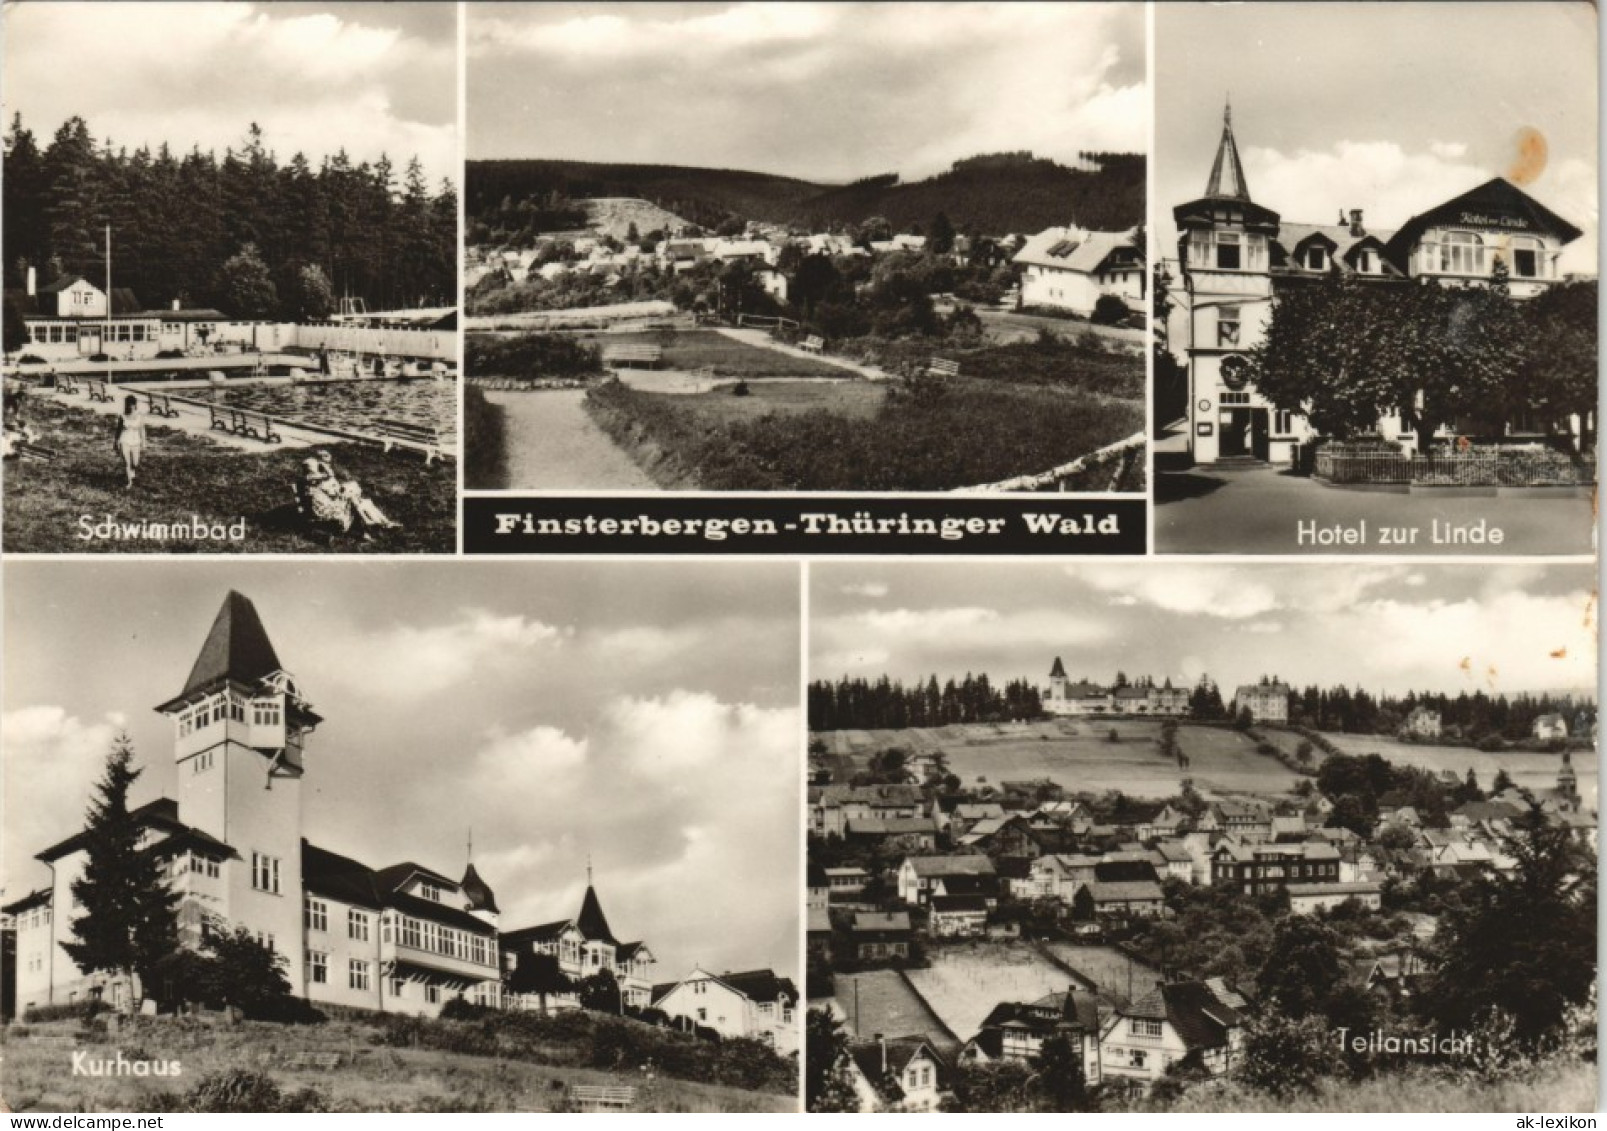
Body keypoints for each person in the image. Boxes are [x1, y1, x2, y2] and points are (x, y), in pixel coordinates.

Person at [296, 448, 399, 540]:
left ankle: (379, 524)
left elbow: (331, 489)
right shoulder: (310, 479)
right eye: (316, 466)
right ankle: (374, 525)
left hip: (326, 507)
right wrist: (324, 466)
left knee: (362, 501)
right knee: (355, 500)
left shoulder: (309, 480)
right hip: (325, 512)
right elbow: (330, 481)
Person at [113, 394, 147, 488]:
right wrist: (116, 441)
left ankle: (132, 472)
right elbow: (118, 430)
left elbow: (142, 430)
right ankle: (129, 482)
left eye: (132, 404)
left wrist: (144, 442)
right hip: (124, 439)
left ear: (135, 405)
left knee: (135, 463)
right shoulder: (122, 416)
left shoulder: (140, 416)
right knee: (127, 462)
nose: (130, 406)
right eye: (128, 404)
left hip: (136, 441)